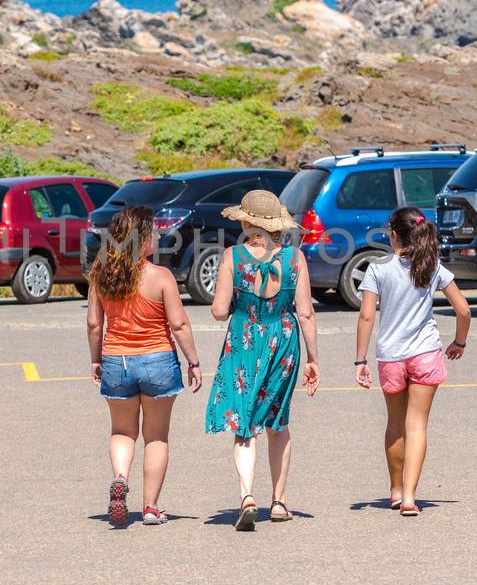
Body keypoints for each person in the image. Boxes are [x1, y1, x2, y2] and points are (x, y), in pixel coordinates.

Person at [205, 190, 319, 531]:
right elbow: (306, 313)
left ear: (245, 222)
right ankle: (279, 501)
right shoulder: (295, 259)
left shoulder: (232, 256)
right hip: (283, 339)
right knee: (277, 422)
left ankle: (247, 496)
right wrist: (314, 359)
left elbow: (219, 311)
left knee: (244, 422)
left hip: (245, 339)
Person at [87, 205, 202, 527]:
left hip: (116, 359)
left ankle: (120, 477)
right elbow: (178, 325)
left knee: (122, 431)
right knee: (156, 437)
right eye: (153, 231)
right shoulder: (160, 276)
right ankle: (150, 507)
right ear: (141, 238)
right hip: (157, 360)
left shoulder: (100, 273)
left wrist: (95, 359)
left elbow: (95, 325)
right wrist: (193, 361)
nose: (159, 235)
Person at [353, 207, 471, 517]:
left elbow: (366, 316)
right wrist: (459, 341)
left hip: (390, 355)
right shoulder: (432, 268)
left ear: (393, 235)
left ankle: (394, 489)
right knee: (417, 425)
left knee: (395, 424)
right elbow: (464, 310)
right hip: (425, 353)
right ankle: (409, 496)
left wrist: (360, 359)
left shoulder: (378, 270)